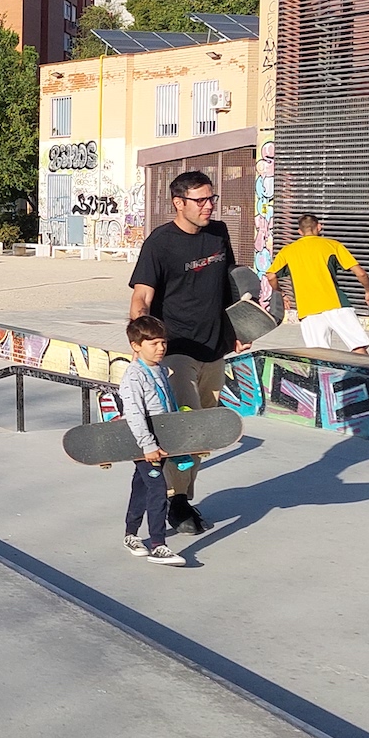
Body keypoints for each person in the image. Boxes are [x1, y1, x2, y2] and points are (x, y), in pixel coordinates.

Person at [128, 169, 245, 535]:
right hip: (175, 351)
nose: (208, 206)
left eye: (212, 198)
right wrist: (142, 344)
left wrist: (243, 326)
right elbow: (141, 298)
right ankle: (174, 502)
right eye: (201, 200)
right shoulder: (160, 243)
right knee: (184, 428)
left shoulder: (218, 232)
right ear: (179, 203)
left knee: (203, 432)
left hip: (215, 348)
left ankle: (176, 496)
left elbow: (229, 283)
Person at [118, 315, 188, 566]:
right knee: (158, 489)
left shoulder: (159, 369)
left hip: (161, 442)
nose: (161, 348)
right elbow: (135, 414)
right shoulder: (135, 376)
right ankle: (158, 544)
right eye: (154, 344)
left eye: (163, 343)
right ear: (136, 346)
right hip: (146, 444)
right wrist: (148, 446)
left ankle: (131, 534)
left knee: (142, 487)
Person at [264, 213, 369, 353]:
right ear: (319, 227)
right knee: (358, 347)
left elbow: (271, 276)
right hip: (336, 304)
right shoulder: (333, 245)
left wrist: (281, 292)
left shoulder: (287, 251)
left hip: (308, 309)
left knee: (319, 355)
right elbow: (361, 273)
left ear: (300, 231)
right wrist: (368, 290)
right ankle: (365, 375)